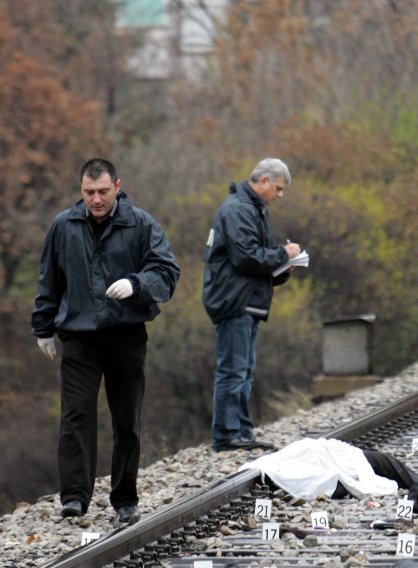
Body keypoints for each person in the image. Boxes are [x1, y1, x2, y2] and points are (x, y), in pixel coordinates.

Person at [31, 158, 180, 523]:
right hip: (79, 336)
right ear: (81, 190)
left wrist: (137, 284)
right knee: (76, 416)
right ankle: (74, 498)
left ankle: (125, 497)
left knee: (126, 419)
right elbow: (49, 278)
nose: (95, 199)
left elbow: (167, 271)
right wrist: (43, 327)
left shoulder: (140, 224)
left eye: (102, 191)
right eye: (88, 192)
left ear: (117, 185)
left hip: (126, 336)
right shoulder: (64, 226)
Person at [202, 157, 301, 452]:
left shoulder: (252, 209)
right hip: (234, 301)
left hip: (246, 300)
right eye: (279, 189)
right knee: (233, 370)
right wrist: (282, 254)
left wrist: (281, 269)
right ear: (263, 181)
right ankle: (227, 433)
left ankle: (241, 431)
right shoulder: (238, 210)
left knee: (243, 370)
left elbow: (254, 261)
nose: (280, 195)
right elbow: (246, 257)